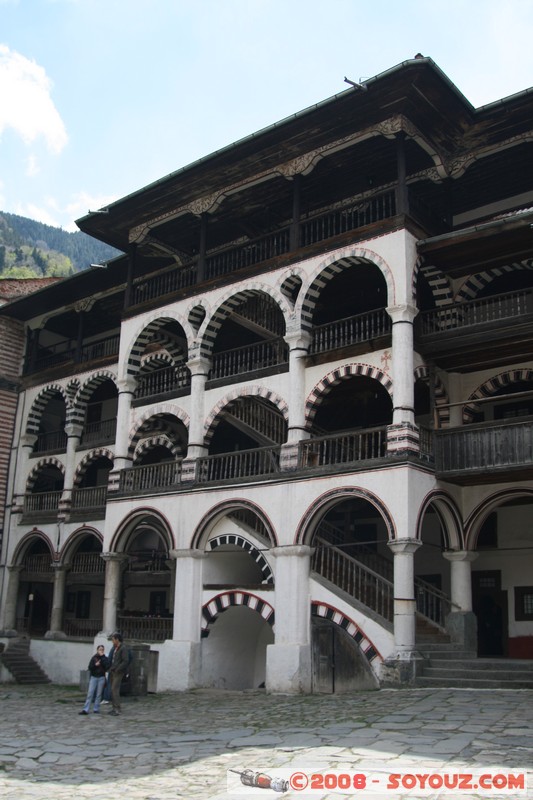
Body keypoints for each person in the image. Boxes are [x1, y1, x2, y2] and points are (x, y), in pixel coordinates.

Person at [79, 644, 109, 715]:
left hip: (101, 677)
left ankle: (96, 708)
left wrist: (103, 658)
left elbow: (107, 666)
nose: (101, 650)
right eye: (100, 649)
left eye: (102, 649)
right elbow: (90, 667)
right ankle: (85, 709)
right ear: (97, 650)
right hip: (94, 677)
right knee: (90, 693)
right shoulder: (94, 658)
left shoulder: (105, 658)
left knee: (98, 694)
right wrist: (95, 665)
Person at [108, 632, 129, 716]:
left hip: (118, 672)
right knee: (112, 690)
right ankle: (113, 708)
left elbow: (125, 660)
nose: (112, 641)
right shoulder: (114, 648)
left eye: (113, 640)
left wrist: (118, 668)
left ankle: (117, 708)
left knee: (114, 689)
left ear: (117, 639)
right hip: (113, 670)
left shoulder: (123, 648)